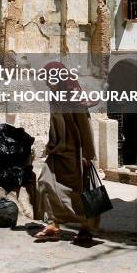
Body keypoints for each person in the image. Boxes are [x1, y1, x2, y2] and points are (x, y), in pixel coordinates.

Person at [36, 62, 100, 244]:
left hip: (76, 153)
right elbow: (53, 123)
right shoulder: (54, 97)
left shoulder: (75, 99)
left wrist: (88, 155)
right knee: (44, 182)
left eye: (50, 79)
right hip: (57, 151)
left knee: (79, 192)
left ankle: (85, 228)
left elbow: (85, 127)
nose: (47, 83)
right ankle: (53, 224)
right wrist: (50, 144)